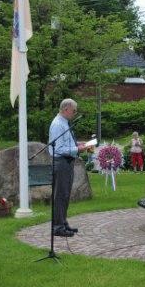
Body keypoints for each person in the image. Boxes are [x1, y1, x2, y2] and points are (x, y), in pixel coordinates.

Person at [48, 98, 86, 237]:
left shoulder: (64, 123)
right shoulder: (58, 124)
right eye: (73, 110)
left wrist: (78, 144)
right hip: (61, 162)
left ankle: (63, 223)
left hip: (67, 162)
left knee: (65, 194)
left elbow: (66, 143)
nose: (75, 113)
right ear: (65, 109)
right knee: (60, 195)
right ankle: (57, 227)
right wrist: (78, 149)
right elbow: (59, 148)